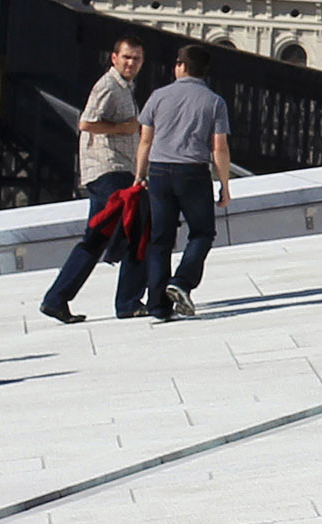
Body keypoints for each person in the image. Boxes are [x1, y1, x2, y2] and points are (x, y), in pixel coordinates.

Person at [41, 37, 148, 326]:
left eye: (136, 58)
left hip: (114, 170)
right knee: (139, 227)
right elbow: (86, 122)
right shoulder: (108, 86)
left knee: (96, 237)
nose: (131, 63)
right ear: (114, 58)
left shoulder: (125, 88)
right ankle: (128, 302)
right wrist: (124, 128)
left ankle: (56, 299)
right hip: (107, 170)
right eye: (126, 57)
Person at [125, 45, 234, 322]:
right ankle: (182, 282)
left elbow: (145, 140)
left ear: (181, 66)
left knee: (160, 239)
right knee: (201, 233)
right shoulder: (214, 102)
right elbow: (218, 147)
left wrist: (140, 174)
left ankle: (158, 305)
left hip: (159, 172)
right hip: (193, 173)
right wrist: (224, 184)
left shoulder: (158, 97)